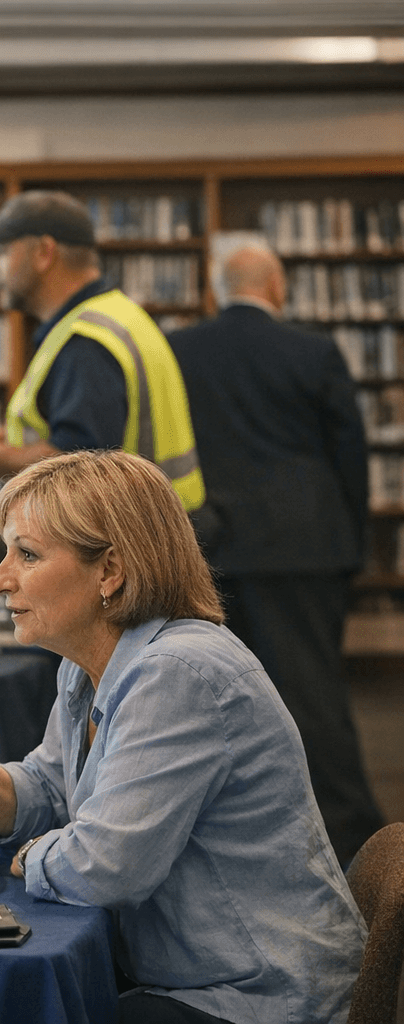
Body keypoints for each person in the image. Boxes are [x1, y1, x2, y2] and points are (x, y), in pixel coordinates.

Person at [0, 450, 365, 1024]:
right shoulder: (89, 663)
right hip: (192, 978)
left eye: (26, 554)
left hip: (260, 997)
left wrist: (30, 855)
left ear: (110, 570)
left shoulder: (178, 672)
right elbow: (53, 792)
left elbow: (105, 868)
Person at [169, 242, 381, 863]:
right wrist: (351, 543)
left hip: (210, 547)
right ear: (278, 287)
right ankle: (355, 848)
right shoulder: (313, 351)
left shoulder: (179, 351)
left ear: (214, 290)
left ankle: (238, 843)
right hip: (304, 549)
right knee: (313, 700)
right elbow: (350, 455)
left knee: (213, 699)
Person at [0, 191, 204, 512]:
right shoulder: (116, 315)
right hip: (156, 530)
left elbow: (76, 466)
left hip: (127, 545)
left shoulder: (87, 342)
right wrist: (3, 438)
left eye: (2, 251)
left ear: (44, 253)